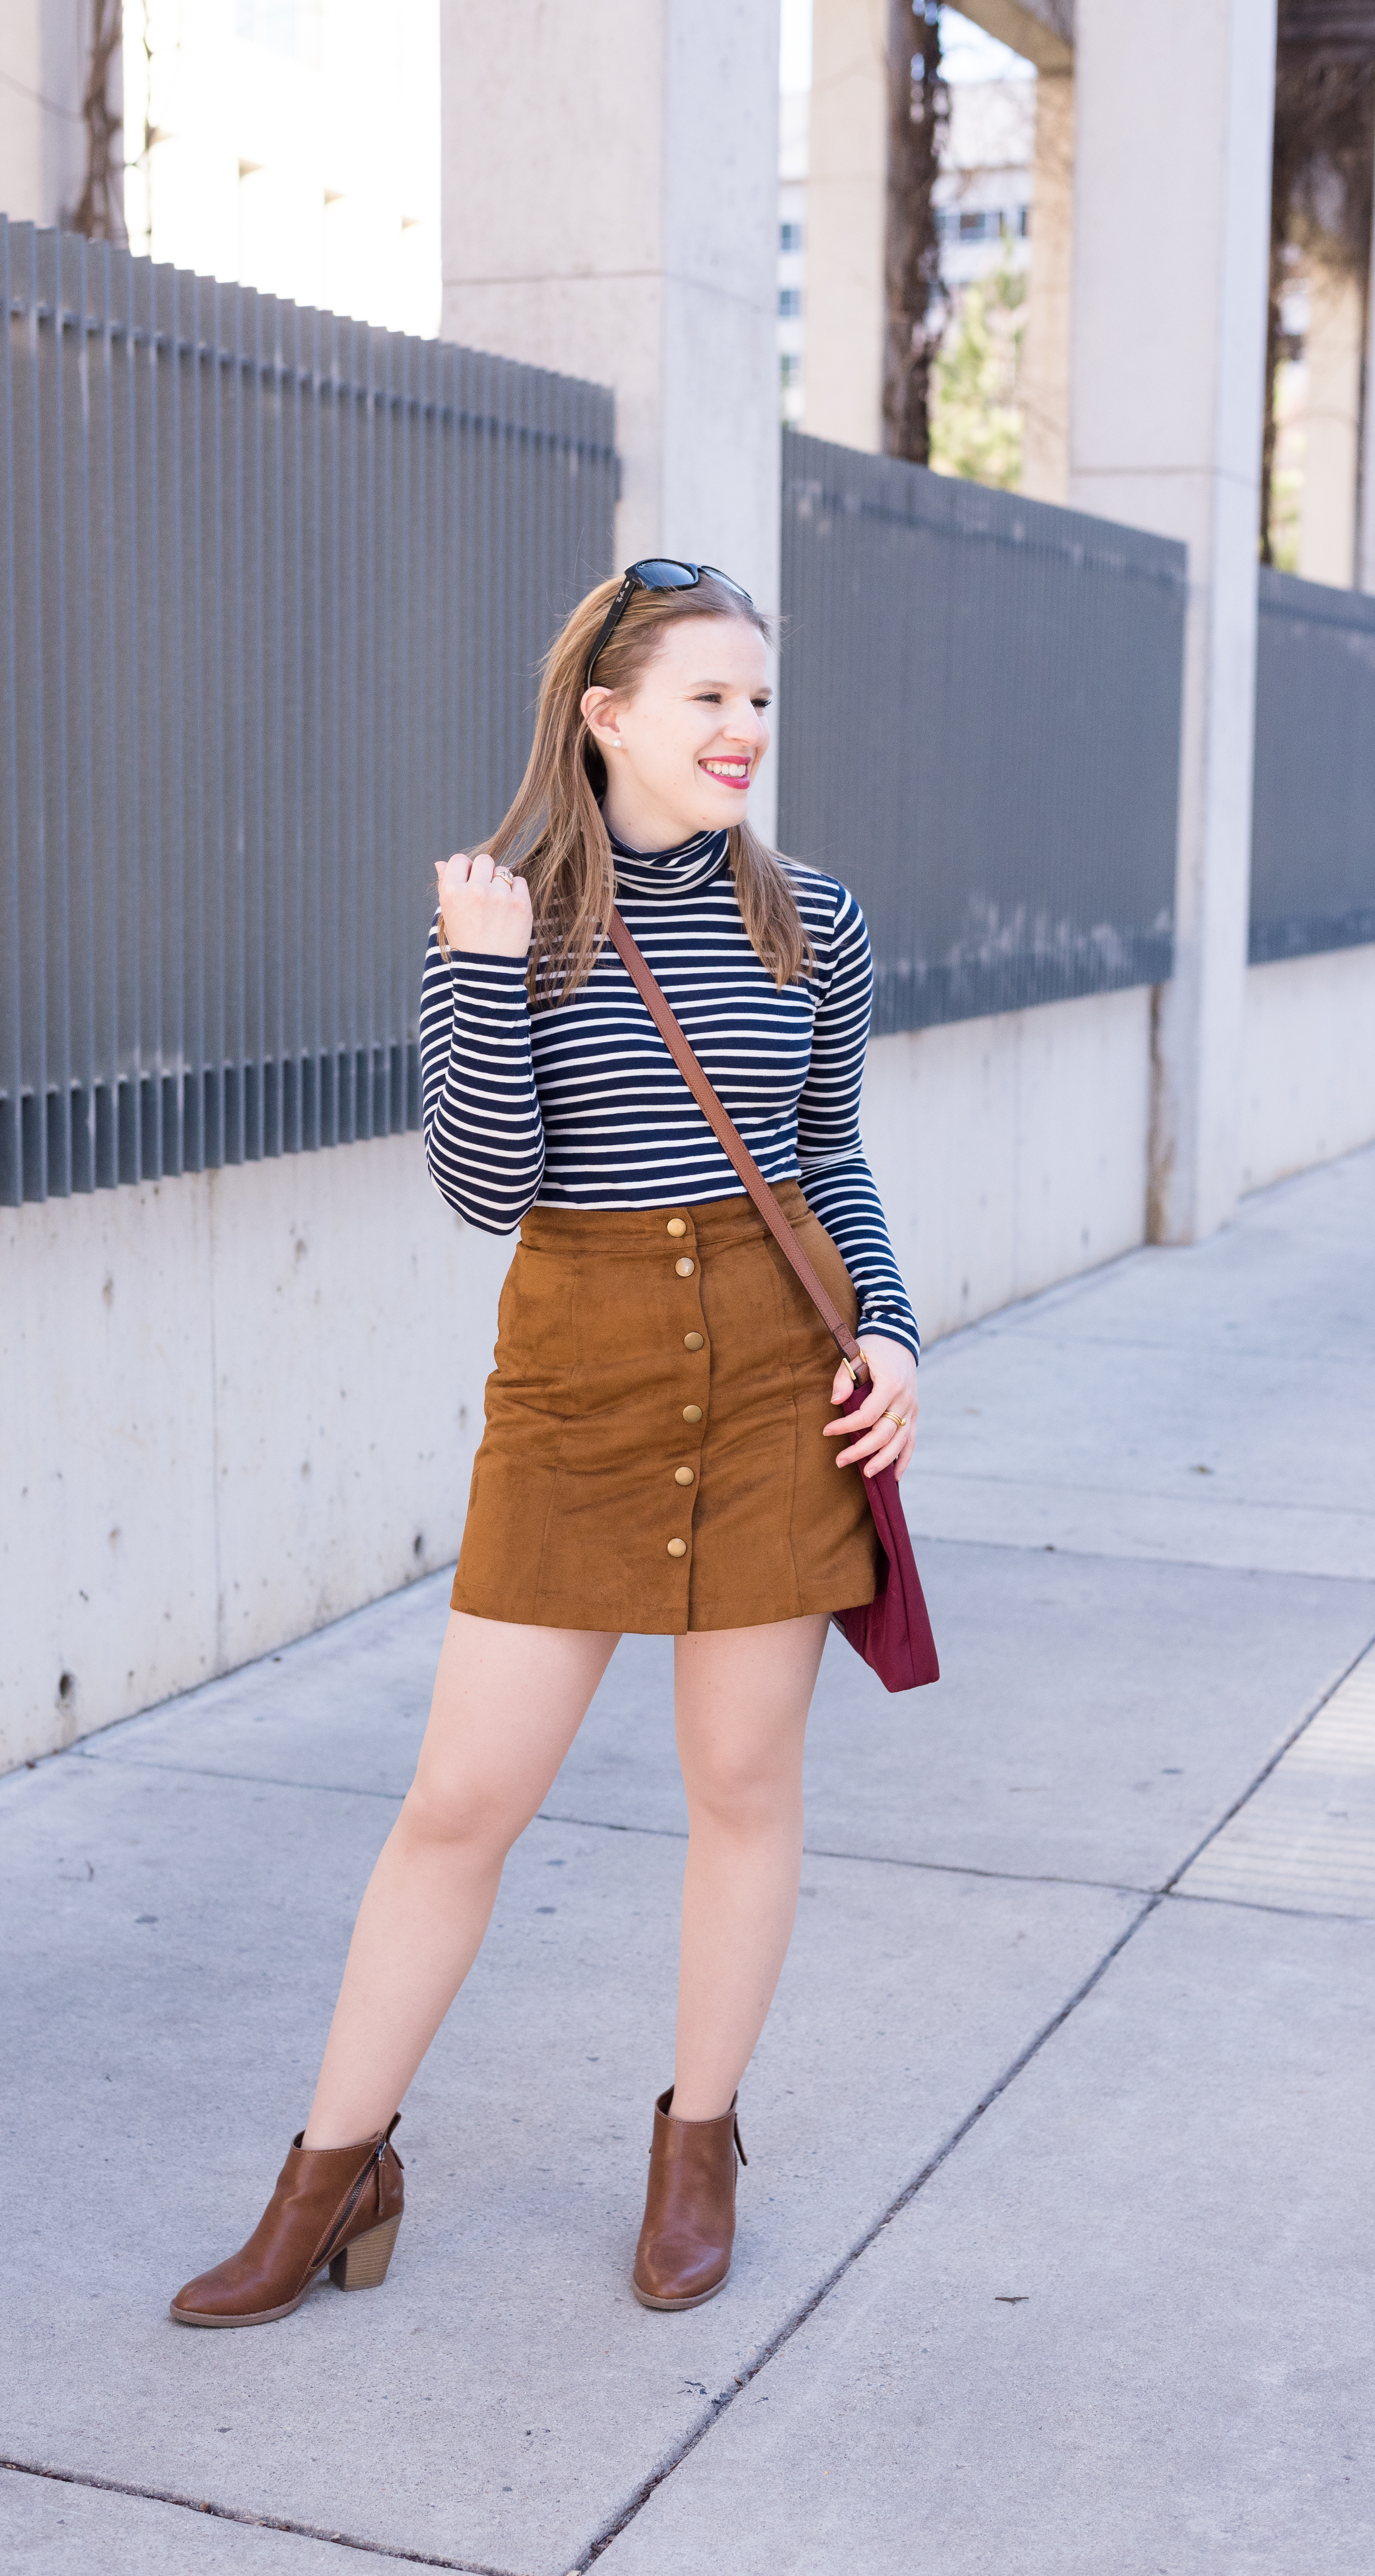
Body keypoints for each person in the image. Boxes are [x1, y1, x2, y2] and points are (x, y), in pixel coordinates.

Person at [169, 560, 921, 2329]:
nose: (742, 732)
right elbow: (484, 1187)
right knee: (457, 1804)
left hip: (768, 1383)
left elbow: (830, 1160)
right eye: (705, 700)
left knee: (740, 1785)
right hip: (575, 1381)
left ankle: (697, 2145)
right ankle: (334, 2169)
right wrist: (482, 977)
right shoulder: (495, 914)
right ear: (604, 716)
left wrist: (889, 1329)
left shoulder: (814, 916)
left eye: (757, 701)